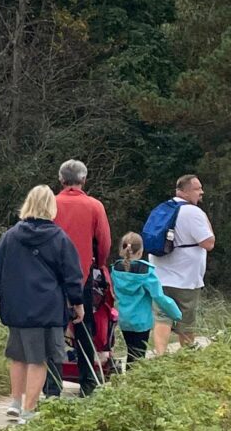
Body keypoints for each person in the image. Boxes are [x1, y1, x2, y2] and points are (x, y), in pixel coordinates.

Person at [0, 186, 85, 419]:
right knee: (38, 359)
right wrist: (77, 303)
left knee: (18, 356)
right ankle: (29, 411)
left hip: (16, 305)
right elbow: (72, 275)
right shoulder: (59, 238)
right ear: (51, 206)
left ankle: (15, 403)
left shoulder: (10, 236)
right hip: (46, 307)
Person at [52, 161, 115, 395]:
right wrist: (99, 262)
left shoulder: (51, 204)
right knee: (84, 327)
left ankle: (52, 384)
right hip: (82, 274)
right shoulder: (94, 206)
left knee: (54, 327)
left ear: (61, 180)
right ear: (84, 180)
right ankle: (87, 382)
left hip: (51, 275)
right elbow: (105, 241)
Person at [157, 175, 216, 345]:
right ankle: (187, 356)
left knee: (162, 317)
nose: (201, 192)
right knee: (186, 318)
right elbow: (208, 243)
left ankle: (159, 356)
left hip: (160, 275)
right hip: (185, 278)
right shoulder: (193, 212)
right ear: (185, 192)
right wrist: (205, 219)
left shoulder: (162, 208)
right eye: (197, 189)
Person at [110, 232, 182, 362]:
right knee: (139, 356)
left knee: (131, 352)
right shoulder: (146, 271)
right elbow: (158, 296)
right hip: (141, 322)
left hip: (124, 319)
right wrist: (176, 313)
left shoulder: (116, 269)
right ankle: (134, 380)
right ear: (140, 250)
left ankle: (130, 378)